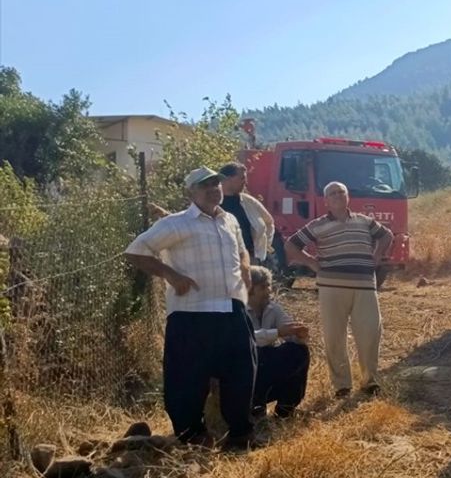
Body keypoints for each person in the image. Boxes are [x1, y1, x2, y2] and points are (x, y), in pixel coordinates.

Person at [123, 167, 257, 451]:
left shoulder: (229, 219)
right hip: (191, 312)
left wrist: (245, 266)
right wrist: (170, 275)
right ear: (191, 192)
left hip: (232, 308)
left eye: (215, 184)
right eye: (204, 185)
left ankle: (240, 435)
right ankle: (192, 436)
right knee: (187, 379)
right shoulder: (176, 224)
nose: (213, 189)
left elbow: (243, 248)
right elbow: (135, 251)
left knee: (242, 372)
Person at [285, 181, 391, 398]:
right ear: (326, 201)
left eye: (341, 192)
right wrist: (311, 263)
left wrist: (378, 254)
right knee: (334, 336)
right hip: (331, 287)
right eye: (332, 194)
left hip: (364, 285)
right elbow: (291, 245)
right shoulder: (318, 225)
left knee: (370, 332)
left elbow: (387, 235)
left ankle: (369, 380)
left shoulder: (364, 221)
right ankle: (342, 385)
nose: (338, 196)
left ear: (348, 196)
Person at [246, 266, 311, 419]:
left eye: (269, 285)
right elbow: (247, 340)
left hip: (265, 366)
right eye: (263, 287)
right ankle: (255, 406)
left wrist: (299, 335)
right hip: (246, 369)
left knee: (299, 352)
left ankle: (285, 410)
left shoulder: (273, 308)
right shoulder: (237, 310)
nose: (269, 290)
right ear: (249, 289)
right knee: (256, 356)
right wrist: (278, 333)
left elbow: (289, 331)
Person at [218, 162, 274, 264]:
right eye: (242, 178)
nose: (245, 182)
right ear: (228, 179)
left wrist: (265, 246)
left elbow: (269, 222)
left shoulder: (249, 202)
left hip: (250, 258)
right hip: (223, 260)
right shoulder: (213, 203)